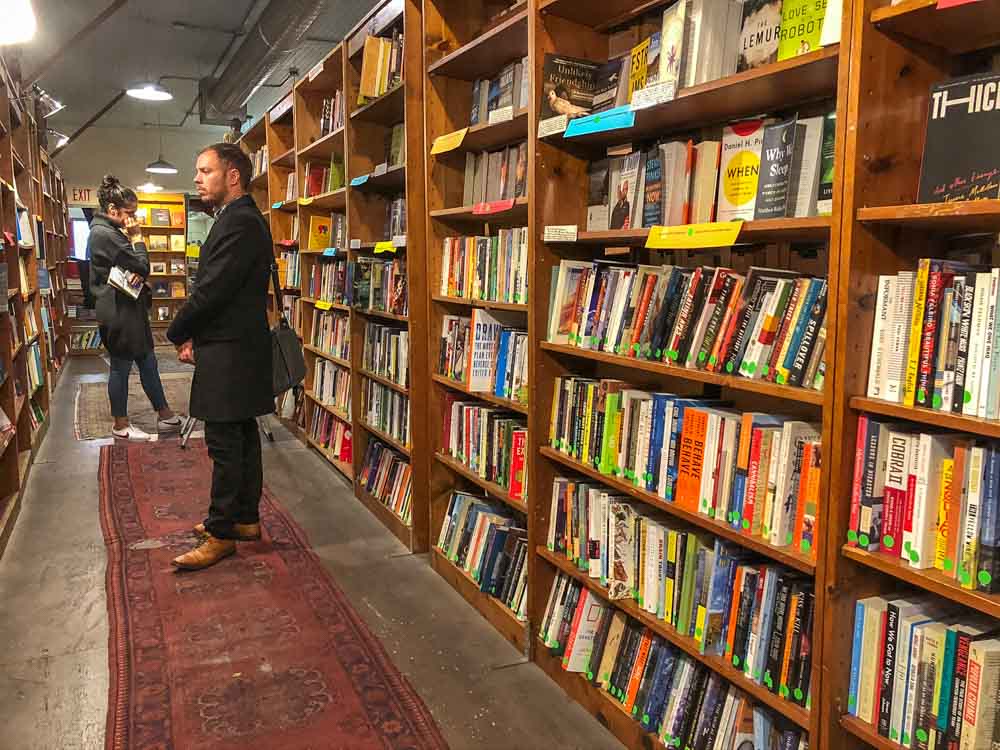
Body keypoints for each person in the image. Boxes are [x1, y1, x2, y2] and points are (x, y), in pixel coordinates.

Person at [168, 143, 273, 571]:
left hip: (231, 352)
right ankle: (244, 519)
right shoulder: (239, 219)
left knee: (224, 444)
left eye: (205, 170)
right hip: (237, 346)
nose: (197, 178)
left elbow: (211, 290)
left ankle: (220, 533)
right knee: (242, 437)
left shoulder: (240, 222)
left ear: (233, 175)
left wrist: (178, 329)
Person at [88, 175, 182, 441]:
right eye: (130, 214)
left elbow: (131, 268)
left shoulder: (109, 231)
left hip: (128, 308)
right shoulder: (104, 234)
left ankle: (164, 414)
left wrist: (136, 269)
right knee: (120, 366)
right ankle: (120, 424)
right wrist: (138, 238)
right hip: (119, 312)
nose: (134, 219)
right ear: (112, 211)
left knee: (148, 361)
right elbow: (142, 265)